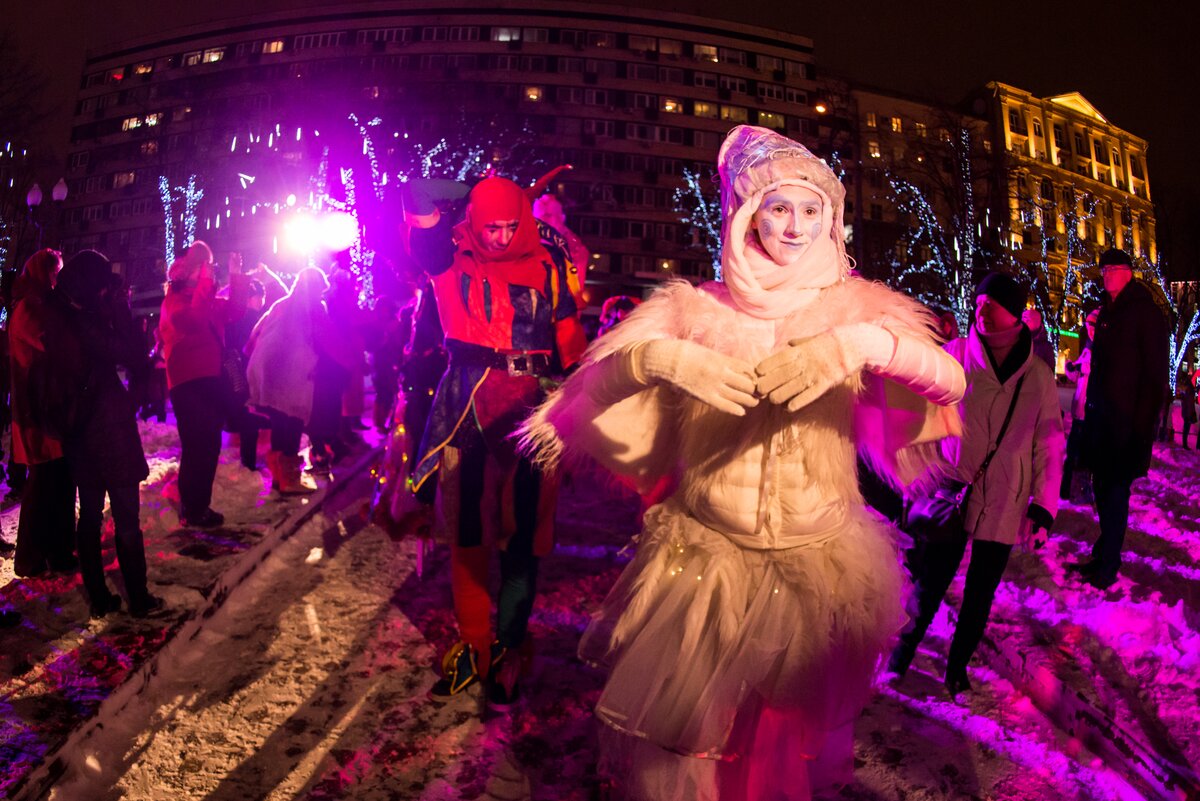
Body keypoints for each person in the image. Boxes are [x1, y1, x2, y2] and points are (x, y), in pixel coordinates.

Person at [521, 125, 965, 799]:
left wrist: (857, 345)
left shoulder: (858, 309)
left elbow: (950, 381)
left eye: (812, 209)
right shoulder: (694, 309)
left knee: (777, 753)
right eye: (778, 207)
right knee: (694, 752)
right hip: (708, 567)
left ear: (832, 218)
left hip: (815, 567)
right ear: (746, 212)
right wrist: (657, 358)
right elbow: (577, 404)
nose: (795, 227)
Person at [402, 175, 588, 709]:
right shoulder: (447, 257)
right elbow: (416, 192)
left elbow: (569, 339)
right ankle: (474, 646)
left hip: (532, 410)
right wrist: (474, 191)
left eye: (511, 225)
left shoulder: (548, 264)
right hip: (465, 409)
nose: (502, 237)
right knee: (467, 535)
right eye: (491, 226)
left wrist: (579, 402)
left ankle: (508, 646)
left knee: (523, 538)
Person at [887, 272, 1064, 694]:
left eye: (992, 304)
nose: (981, 310)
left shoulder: (1037, 376)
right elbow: (918, 416)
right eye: (979, 302)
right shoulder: (954, 356)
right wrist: (913, 474)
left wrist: (1043, 507)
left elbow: (1049, 443)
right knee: (929, 583)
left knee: (980, 593)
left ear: (1015, 313)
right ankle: (901, 655)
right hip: (951, 488)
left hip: (1006, 497)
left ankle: (956, 668)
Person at [52, 251, 161, 618]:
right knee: (126, 518)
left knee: (90, 516)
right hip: (108, 431)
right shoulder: (85, 324)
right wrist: (121, 309)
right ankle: (139, 598)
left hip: (80, 435)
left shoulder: (63, 318)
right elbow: (133, 354)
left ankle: (99, 598)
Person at [1072, 248, 1169, 590]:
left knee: (1115, 493)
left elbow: (1155, 378)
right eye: (1103, 270)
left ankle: (1109, 563)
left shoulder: (1145, 313)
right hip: (1102, 422)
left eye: (1112, 269)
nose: (1106, 275)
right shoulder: (1107, 312)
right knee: (1103, 490)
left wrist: (1141, 430)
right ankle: (1103, 554)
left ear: (1128, 272)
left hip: (1126, 427)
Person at [159, 242, 248, 527]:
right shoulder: (174, 299)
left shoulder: (205, 298)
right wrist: (207, 284)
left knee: (209, 444)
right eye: (202, 266)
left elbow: (236, 310)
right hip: (187, 382)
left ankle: (199, 506)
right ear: (188, 270)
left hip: (211, 379)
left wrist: (236, 275)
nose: (207, 271)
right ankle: (192, 508)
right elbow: (194, 321)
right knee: (197, 444)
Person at [7, 249, 78, 576]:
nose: (58, 280)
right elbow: (52, 343)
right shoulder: (28, 307)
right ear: (43, 273)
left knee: (58, 481)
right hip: (36, 412)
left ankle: (56, 552)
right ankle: (30, 558)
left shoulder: (40, 304)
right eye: (55, 273)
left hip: (49, 410)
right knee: (42, 485)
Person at [245, 268, 328, 494]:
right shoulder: (311, 309)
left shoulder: (280, 305)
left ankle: (279, 478)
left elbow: (255, 335)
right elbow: (319, 340)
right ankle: (289, 480)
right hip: (293, 374)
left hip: (269, 372)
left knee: (279, 424)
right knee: (292, 424)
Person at [1061, 308, 1099, 498]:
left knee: (1084, 456)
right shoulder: (1087, 349)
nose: (1090, 331)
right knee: (1072, 453)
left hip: (1092, 415)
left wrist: (1086, 368)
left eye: (1094, 327)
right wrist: (1070, 369)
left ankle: (1080, 492)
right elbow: (1079, 376)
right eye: (1088, 327)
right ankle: (1067, 490)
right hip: (1079, 411)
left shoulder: (1103, 352)